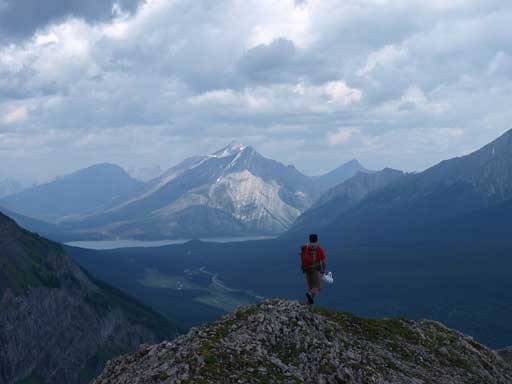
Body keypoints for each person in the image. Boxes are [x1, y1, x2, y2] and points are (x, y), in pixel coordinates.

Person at [300, 233, 327, 305]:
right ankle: (309, 294)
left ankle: (308, 303)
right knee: (318, 287)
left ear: (309, 239)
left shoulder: (306, 247)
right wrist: (324, 270)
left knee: (311, 286)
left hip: (306, 269)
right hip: (315, 270)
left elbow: (301, 254)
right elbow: (324, 261)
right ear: (317, 239)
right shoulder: (319, 249)